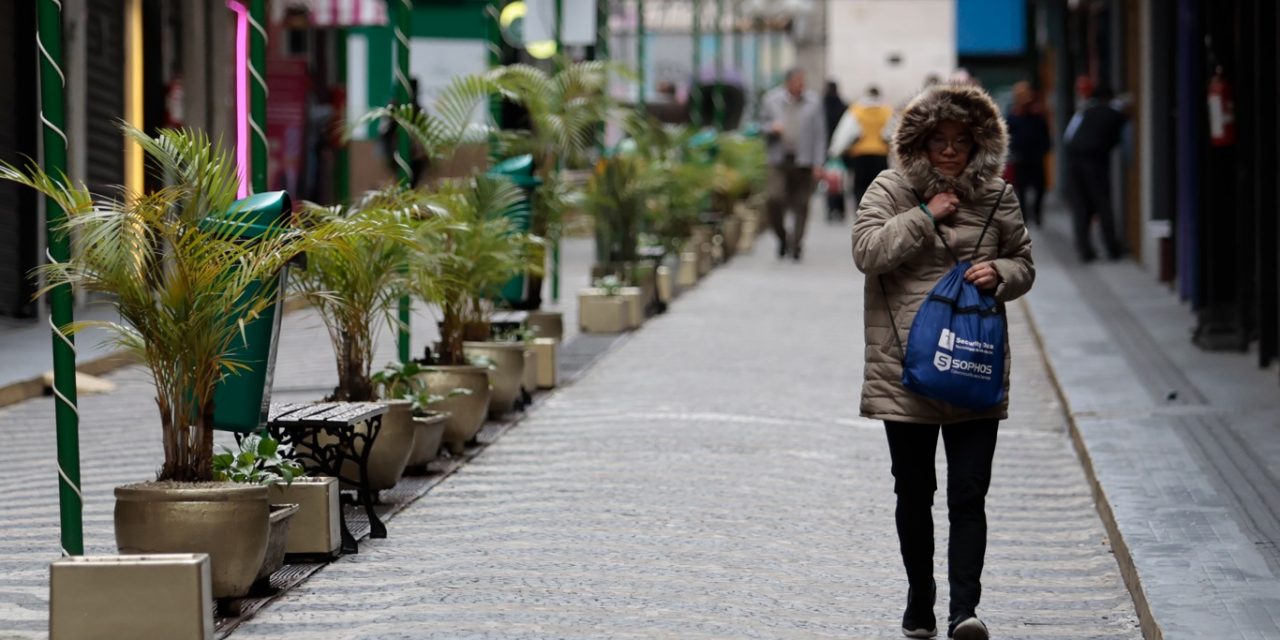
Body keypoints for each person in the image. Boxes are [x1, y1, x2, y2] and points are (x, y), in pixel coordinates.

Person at [852, 84, 1035, 640]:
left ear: (979, 144)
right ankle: (919, 598)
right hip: (904, 369)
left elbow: (1024, 262)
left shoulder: (998, 196)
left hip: (973, 364)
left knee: (969, 492)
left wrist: (1000, 274)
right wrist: (926, 216)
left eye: (961, 140)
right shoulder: (890, 188)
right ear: (920, 144)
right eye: (939, 141)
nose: (950, 151)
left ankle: (964, 610)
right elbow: (867, 253)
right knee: (913, 491)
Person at [760, 68, 827, 261]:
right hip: (778, 159)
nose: (801, 85)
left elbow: (819, 135)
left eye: (802, 82)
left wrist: (818, 163)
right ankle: (782, 237)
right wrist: (770, 128)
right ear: (787, 83)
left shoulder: (813, 102)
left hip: (804, 160)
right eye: (797, 82)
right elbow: (760, 125)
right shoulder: (771, 100)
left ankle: (796, 245)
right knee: (774, 199)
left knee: (802, 204)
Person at [1063, 82, 1128, 262]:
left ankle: (1085, 250)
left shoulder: (1084, 112)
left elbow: (1068, 136)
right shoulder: (1115, 115)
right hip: (1095, 162)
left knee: (1081, 207)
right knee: (1103, 204)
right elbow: (1119, 139)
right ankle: (1112, 248)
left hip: (1074, 161)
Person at [830, 84, 895, 208]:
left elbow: (846, 132)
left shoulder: (856, 110)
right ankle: (878, 209)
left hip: (860, 154)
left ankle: (861, 209)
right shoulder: (887, 110)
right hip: (880, 154)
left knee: (860, 186)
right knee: (879, 186)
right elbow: (890, 132)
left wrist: (835, 151)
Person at [1005, 81, 1052, 226]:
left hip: (1036, 155)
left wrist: (1045, 148)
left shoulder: (1037, 116)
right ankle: (1025, 215)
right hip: (1020, 156)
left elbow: (1045, 134)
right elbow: (1006, 135)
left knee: (1040, 187)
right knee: (1021, 188)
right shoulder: (1012, 116)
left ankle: (1036, 213)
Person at [823, 80, 849, 221]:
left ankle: (830, 208)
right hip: (841, 147)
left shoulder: (822, 106)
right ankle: (841, 209)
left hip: (826, 146)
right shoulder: (843, 106)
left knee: (828, 179)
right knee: (840, 179)